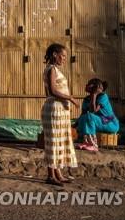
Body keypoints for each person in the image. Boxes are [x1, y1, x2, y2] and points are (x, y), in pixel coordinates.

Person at [41, 43, 78, 186]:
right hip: (54, 109)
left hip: (59, 110)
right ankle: (51, 175)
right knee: (53, 143)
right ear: (55, 55)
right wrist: (70, 98)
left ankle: (58, 174)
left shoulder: (54, 69)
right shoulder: (51, 69)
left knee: (60, 142)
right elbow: (52, 91)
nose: (64, 59)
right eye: (62, 56)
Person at [75, 78, 119, 151]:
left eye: (89, 84)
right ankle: (86, 142)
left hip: (110, 123)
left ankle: (93, 145)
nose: (86, 86)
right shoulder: (86, 99)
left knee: (89, 116)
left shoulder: (103, 96)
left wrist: (94, 94)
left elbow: (93, 110)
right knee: (83, 118)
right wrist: (75, 124)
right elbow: (83, 114)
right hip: (99, 121)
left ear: (96, 88)